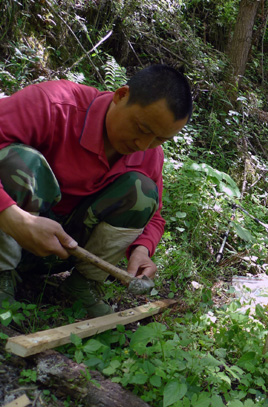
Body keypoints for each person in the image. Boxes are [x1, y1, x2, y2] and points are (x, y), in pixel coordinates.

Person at [0, 64, 193, 317]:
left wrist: (142, 250)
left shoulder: (149, 155)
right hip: (13, 230)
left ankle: (81, 284)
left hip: (65, 248)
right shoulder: (54, 103)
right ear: (121, 95)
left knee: (143, 190)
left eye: (160, 139)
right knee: (18, 160)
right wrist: (11, 217)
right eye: (142, 129)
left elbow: (155, 216)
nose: (143, 144)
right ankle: (3, 273)